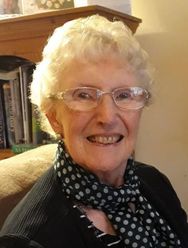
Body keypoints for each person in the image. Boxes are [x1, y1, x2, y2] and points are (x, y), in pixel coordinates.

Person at [0, 15, 188, 248]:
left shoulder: (153, 181)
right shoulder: (28, 240)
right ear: (53, 116)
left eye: (123, 95)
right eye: (84, 95)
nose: (107, 117)